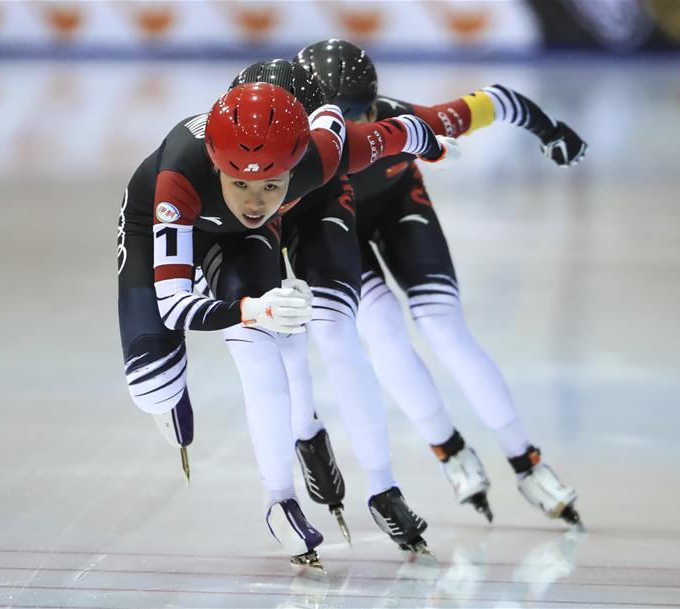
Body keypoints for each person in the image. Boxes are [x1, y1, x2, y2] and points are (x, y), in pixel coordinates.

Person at [117, 81, 448, 568]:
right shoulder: (179, 176)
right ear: (215, 162)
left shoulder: (323, 155)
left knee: (261, 345)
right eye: (241, 182)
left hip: (239, 241)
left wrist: (434, 145)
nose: (256, 201)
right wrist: (252, 308)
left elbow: (400, 133)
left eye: (273, 184)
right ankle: (170, 396)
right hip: (160, 225)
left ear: (297, 167)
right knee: (151, 383)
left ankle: (279, 499)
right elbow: (173, 305)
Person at [289, 39, 586, 526]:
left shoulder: (407, 121)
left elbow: (498, 100)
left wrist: (550, 131)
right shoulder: (295, 146)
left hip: (399, 207)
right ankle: (450, 451)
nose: (354, 129)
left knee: (443, 327)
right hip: (335, 230)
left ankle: (526, 460)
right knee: (381, 329)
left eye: (363, 112)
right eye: (340, 116)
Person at [227, 59, 456, 556]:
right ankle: (299, 450)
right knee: (270, 338)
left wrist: (430, 142)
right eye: (252, 164)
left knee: (336, 333)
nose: (267, 174)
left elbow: (400, 131)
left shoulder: (331, 147)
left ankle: (382, 485)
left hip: (320, 205)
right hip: (248, 224)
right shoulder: (211, 156)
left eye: (281, 161)